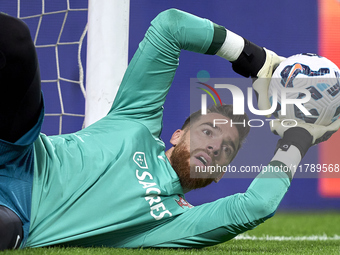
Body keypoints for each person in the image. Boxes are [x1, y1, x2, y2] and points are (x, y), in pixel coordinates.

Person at [0, 9, 339, 250]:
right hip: (20, 150)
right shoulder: (137, 121)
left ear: (221, 174)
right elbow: (170, 27)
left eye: (226, 150)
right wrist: (259, 59)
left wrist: (299, 136)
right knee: (14, 41)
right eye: (208, 131)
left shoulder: (173, 223)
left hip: (19, 216)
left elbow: (256, 206)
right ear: (176, 134)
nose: (215, 146)